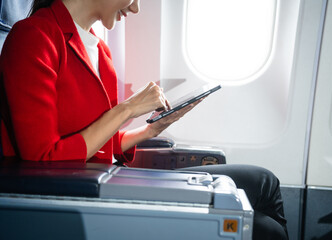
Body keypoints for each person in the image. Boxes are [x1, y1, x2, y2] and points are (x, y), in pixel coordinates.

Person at [0, 0, 288, 239]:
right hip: (81, 196)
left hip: (105, 178)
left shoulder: (100, 50)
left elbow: (103, 146)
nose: (136, 8)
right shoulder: (33, 37)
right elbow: (42, 157)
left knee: (264, 181)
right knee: (265, 229)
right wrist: (126, 109)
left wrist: (152, 130)